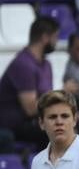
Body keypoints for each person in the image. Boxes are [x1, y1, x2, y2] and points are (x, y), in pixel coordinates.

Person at [0, 16, 59, 148]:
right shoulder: (23, 64)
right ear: (45, 38)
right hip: (14, 124)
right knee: (59, 131)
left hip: (35, 121)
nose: (57, 41)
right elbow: (31, 108)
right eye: (55, 37)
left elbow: (47, 99)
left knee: (74, 126)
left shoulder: (46, 64)